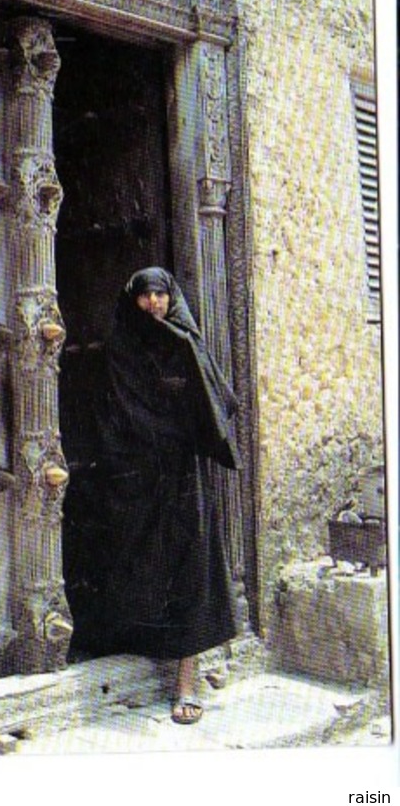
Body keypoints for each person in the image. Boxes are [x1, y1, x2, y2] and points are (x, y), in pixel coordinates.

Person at [96, 266, 241, 724]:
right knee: (144, 562)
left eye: (161, 294)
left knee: (193, 565)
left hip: (184, 477)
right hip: (140, 478)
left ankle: (186, 681)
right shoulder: (121, 347)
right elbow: (116, 410)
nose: (154, 303)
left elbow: (218, 399)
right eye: (146, 296)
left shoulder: (184, 340)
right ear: (133, 300)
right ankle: (139, 654)